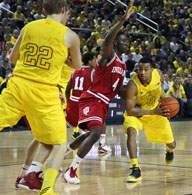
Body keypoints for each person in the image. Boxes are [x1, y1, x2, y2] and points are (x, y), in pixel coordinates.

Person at [0, 1, 82, 195]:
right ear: (64, 10)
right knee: (59, 144)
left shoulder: (29, 27)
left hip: (18, 85)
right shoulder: (70, 36)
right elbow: (77, 66)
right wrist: (63, 56)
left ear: (44, 11)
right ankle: (46, 189)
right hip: (44, 93)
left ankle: (27, 175)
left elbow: (12, 59)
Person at [63, 0, 134, 184]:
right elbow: (107, 40)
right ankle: (72, 169)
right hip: (92, 98)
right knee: (95, 134)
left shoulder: (122, 64)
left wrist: (133, 99)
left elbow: (117, 90)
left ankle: (67, 149)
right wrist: (122, 21)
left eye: (128, 41)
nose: (127, 43)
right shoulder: (108, 57)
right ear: (116, 42)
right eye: (123, 41)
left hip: (103, 102)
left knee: (89, 134)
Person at [124, 56, 176, 183]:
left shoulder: (158, 74)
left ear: (152, 69)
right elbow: (131, 110)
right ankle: (135, 169)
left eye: (146, 69)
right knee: (131, 131)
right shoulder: (133, 84)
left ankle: (169, 150)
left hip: (156, 113)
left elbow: (160, 89)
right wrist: (153, 111)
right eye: (140, 69)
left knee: (172, 144)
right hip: (138, 114)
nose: (142, 73)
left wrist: (166, 102)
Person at [65, 52, 111, 153]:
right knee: (101, 118)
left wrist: (69, 102)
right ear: (90, 61)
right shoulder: (93, 72)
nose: (96, 62)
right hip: (84, 104)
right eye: (95, 60)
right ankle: (102, 145)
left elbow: (67, 90)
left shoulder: (75, 72)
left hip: (73, 103)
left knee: (88, 132)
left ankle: (63, 147)